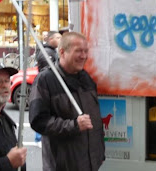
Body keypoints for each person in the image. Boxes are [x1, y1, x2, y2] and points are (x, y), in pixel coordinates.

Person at [29, 32, 105, 171]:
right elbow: (38, 121)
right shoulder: (46, 80)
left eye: (85, 51)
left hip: (91, 163)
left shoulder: (86, 78)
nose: (83, 56)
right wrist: (73, 125)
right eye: (78, 51)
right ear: (62, 52)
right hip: (63, 166)